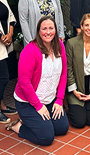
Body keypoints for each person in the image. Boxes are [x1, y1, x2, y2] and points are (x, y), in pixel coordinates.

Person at [8, 15, 69, 146]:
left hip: (50, 99)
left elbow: (63, 73)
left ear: (55, 30)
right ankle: (18, 126)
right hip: (28, 102)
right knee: (46, 137)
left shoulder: (60, 46)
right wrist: (38, 106)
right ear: (38, 31)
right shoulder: (29, 51)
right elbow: (24, 83)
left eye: (51, 28)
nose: (48, 32)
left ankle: (40, 122)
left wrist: (59, 100)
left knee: (62, 128)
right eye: (44, 29)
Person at [66, 14, 90, 128]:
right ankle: (78, 105)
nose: (89, 28)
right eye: (86, 25)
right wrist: (74, 91)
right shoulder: (71, 43)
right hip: (77, 85)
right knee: (79, 122)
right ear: (81, 26)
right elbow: (68, 68)